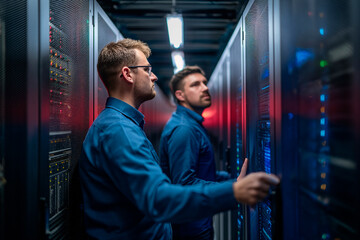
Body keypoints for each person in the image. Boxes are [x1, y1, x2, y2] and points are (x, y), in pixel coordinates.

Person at [79, 38, 280, 240]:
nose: (154, 77)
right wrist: (234, 192)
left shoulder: (123, 126)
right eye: (147, 70)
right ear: (127, 74)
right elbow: (158, 198)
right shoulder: (119, 131)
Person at [160, 66, 233, 240]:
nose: (205, 88)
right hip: (191, 229)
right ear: (180, 95)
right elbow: (184, 182)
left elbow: (202, 172)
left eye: (204, 83)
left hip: (197, 222)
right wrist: (233, 189)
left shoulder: (191, 125)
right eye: (195, 85)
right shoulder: (184, 129)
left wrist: (229, 178)